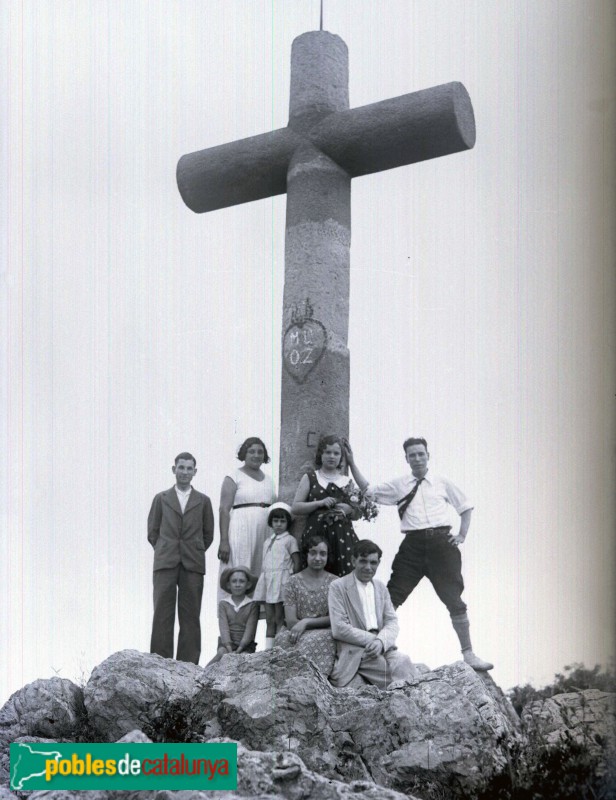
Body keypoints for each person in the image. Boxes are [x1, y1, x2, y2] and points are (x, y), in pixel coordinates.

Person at [345, 437, 493, 671]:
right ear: (406, 459)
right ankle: (378, 646)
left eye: (420, 454)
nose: (417, 458)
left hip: (442, 546)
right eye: (412, 455)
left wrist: (462, 535)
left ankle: (469, 654)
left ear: (427, 455)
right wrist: (352, 462)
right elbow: (369, 491)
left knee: (454, 599)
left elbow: (465, 506)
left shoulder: (441, 481)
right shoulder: (400, 484)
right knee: (392, 597)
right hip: (412, 546)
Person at [148, 452, 214, 664]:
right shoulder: (161, 498)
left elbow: (208, 534)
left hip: (192, 562)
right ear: (174, 469)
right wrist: (164, 548)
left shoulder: (203, 501)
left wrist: (194, 549)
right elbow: (153, 531)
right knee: (162, 613)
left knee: (191, 614)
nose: (184, 472)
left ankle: (188, 665)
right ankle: (160, 662)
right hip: (165, 561)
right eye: (181, 467)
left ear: (195, 472)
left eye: (189, 468)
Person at [328, 539, 415, 689]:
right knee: (386, 670)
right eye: (363, 561)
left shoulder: (381, 587)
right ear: (353, 560)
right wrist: (373, 640)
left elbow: (392, 622)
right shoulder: (338, 587)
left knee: (403, 661)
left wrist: (381, 642)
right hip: (356, 650)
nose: (368, 567)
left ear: (378, 563)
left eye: (373, 563)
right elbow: (339, 628)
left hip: (382, 645)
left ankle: (409, 702)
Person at [291, 434, 359, 577]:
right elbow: (296, 507)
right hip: (316, 534)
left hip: (342, 537)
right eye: (328, 452)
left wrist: (350, 510)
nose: (332, 456)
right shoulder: (311, 477)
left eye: (336, 453)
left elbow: (358, 514)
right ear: (320, 454)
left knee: (343, 578)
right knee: (316, 576)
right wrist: (319, 503)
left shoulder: (347, 481)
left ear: (341, 457)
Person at [217, 437, 276, 599]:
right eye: (251, 451)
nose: (256, 455)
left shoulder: (270, 480)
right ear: (244, 453)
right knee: (240, 570)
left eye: (260, 452)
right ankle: (234, 618)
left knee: (260, 573)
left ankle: (255, 618)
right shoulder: (233, 476)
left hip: (265, 532)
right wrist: (223, 541)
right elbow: (224, 509)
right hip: (240, 531)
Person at [275, 534, 338, 676]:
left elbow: (336, 617)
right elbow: (291, 621)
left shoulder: (335, 583)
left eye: (323, 554)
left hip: (325, 631)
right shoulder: (292, 582)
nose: (318, 558)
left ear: (328, 556)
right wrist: (300, 625)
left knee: (317, 640)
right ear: (306, 555)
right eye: (313, 553)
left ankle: (312, 681)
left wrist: (306, 622)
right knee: (282, 639)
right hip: (296, 630)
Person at [253, 502, 301, 648]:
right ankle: (268, 649)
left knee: (280, 617)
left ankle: (278, 649)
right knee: (269, 618)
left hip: (282, 582)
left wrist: (293, 582)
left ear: (287, 523)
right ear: (271, 522)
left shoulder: (289, 540)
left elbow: (296, 561)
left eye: (282, 521)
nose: (279, 524)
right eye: (275, 521)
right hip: (269, 581)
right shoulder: (267, 541)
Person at [208, 566, 260, 664]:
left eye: (241, 581)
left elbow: (250, 630)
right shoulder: (224, 604)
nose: (237, 584)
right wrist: (229, 648)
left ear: (248, 585)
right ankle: (201, 674)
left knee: (245, 659)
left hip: (246, 645)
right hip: (226, 644)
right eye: (234, 581)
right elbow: (224, 628)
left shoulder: (252, 604)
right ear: (228, 585)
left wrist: (240, 649)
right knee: (221, 654)